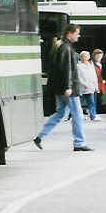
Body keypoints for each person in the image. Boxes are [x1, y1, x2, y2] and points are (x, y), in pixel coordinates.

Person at [33, 24, 92, 152]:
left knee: (60, 113)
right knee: (77, 114)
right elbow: (67, 69)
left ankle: (40, 136)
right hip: (68, 89)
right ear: (69, 33)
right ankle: (79, 143)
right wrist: (68, 86)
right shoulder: (66, 48)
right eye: (77, 33)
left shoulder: (62, 47)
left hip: (61, 88)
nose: (78, 36)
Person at [76, 51, 98, 121]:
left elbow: (94, 76)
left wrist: (96, 86)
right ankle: (78, 116)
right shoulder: (78, 66)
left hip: (91, 87)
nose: (85, 58)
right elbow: (78, 77)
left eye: (86, 56)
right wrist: (84, 84)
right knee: (79, 103)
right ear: (81, 57)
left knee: (91, 102)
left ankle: (93, 116)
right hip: (82, 88)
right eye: (84, 56)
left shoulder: (91, 65)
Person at [91, 48, 105, 117]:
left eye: (100, 56)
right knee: (95, 99)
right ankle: (94, 113)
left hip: (100, 84)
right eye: (98, 56)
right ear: (94, 56)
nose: (99, 58)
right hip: (95, 84)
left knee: (100, 98)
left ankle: (96, 112)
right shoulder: (92, 64)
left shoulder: (101, 64)